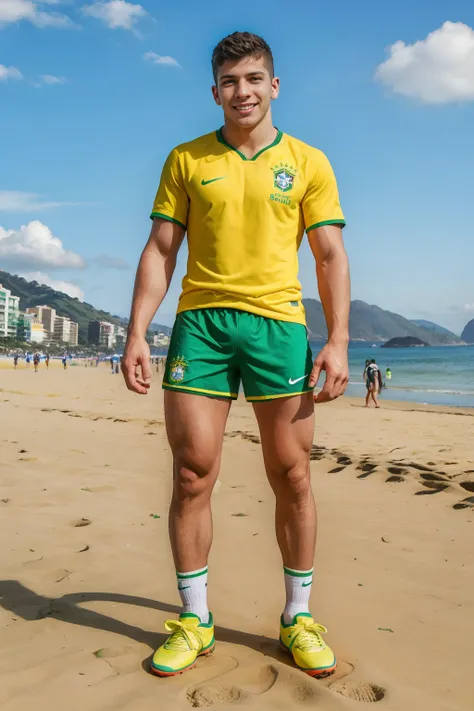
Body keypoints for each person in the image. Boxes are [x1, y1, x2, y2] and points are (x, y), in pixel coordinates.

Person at [122, 32, 350, 679]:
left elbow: (330, 256)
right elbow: (161, 250)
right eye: (229, 81)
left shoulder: (308, 162)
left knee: (292, 473)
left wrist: (336, 339)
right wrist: (138, 331)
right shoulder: (187, 159)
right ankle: (195, 618)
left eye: (254, 79)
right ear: (214, 90)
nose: (242, 91)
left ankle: (297, 616)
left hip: (279, 325)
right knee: (193, 472)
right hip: (202, 325)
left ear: (274, 86)